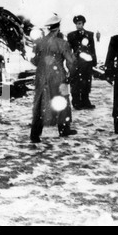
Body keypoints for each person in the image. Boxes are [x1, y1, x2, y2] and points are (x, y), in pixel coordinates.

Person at [30, 14, 78, 143]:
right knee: (62, 102)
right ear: (58, 28)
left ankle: (35, 133)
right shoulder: (62, 43)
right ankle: (64, 129)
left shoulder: (39, 42)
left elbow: (35, 60)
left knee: (40, 104)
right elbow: (71, 62)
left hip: (41, 77)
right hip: (58, 76)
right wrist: (71, 74)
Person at [67, 15, 98, 110]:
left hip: (87, 62)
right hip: (76, 63)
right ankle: (76, 102)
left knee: (86, 82)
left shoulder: (90, 34)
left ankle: (86, 101)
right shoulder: (71, 35)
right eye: (76, 24)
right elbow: (68, 50)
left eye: (80, 23)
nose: (78, 25)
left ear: (83, 24)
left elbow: (92, 49)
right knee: (76, 83)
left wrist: (94, 61)